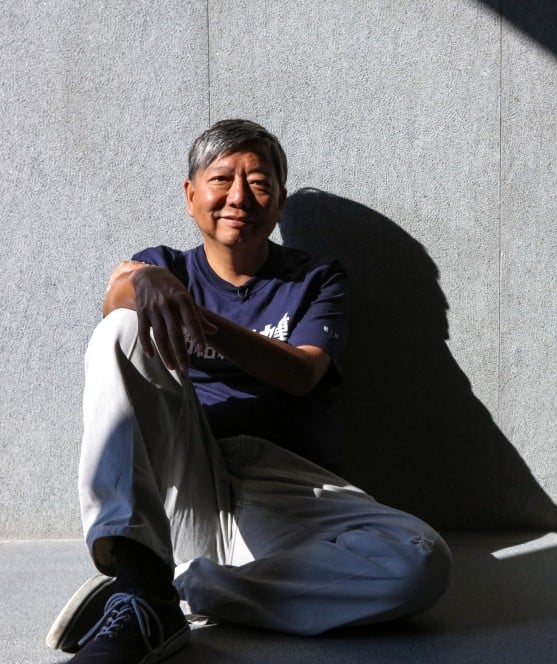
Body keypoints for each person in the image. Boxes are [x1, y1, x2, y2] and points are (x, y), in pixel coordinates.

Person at [46, 119, 452, 663]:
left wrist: (194, 318)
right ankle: (140, 579)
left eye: (259, 183)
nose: (239, 197)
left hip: (287, 487)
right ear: (191, 196)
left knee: (420, 561)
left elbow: (301, 372)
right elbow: (116, 300)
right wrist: (142, 283)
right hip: (190, 477)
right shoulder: (166, 268)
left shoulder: (316, 279)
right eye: (221, 180)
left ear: (279, 203)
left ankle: (181, 589)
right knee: (121, 327)